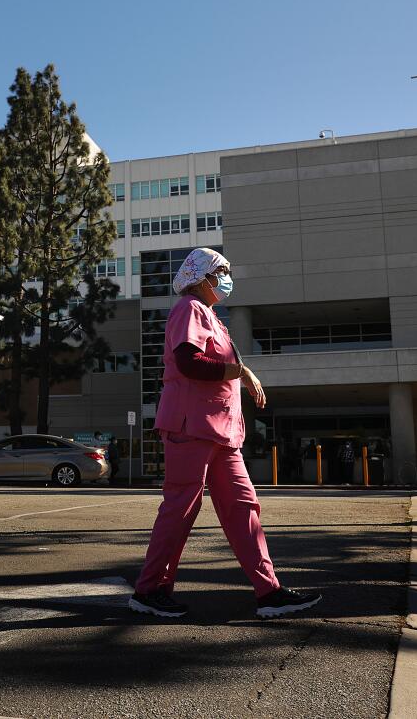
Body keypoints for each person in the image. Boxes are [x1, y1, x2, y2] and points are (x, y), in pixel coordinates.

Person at [128, 247, 321, 620]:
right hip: (191, 426)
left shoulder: (213, 316)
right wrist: (242, 372)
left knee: (243, 507)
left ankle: (270, 592)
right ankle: (149, 590)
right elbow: (188, 361)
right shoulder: (190, 308)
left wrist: (240, 372)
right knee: (182, 507)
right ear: (201, 275)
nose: (226, 278)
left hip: (220, 432)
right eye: (221, 271)